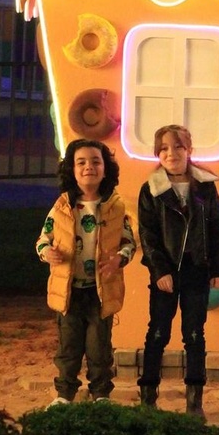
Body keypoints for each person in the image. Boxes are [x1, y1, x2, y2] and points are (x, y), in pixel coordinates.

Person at [137, 124, 219, 417]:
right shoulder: (151, 189)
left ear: (189, 150)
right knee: (158, 332)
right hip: (166, 274)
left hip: (196, 270)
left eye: (178, 147)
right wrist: (159, 270)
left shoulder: (205, 186)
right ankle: (148, 397)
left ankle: (194, 400)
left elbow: (217, 229)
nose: (171, 153)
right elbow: (148, 235)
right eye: (164, 148)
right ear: (157, 153)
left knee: (194, 334)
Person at [36, 138, 135, 407]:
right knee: (68, 347)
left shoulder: (116, 207)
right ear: (71, 169)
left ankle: (101, 394)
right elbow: (43, 239)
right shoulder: (61, 207)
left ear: (105, 169)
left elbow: (129, 242)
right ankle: (64, 394)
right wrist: (47, 252)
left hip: (101, 293)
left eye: (95, 161)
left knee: (99, 348)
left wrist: (119, 260)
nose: (88, 167)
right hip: (69, 292)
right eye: (81, 162)